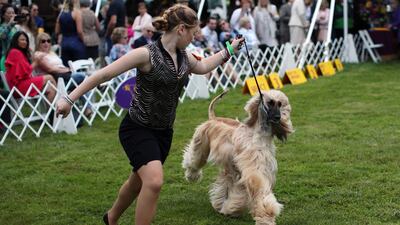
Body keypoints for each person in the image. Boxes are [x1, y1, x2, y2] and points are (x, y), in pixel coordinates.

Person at [55, 4, 243, 225]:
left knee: (138, 181)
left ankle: (111, 217)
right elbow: (103, 74)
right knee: (153, 182)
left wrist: (230, 49)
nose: (195, 37)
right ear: (181, 29)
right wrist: (68, 99)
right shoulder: (146, 54)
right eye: (193, 32)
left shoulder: (184, 57)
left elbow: (203, 67)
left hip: (164, 133)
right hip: (137, 128)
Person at [34, 32, 93, 117]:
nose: (46, 43)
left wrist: (65, 70)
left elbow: (57, 67)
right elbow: (50, 69)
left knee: (81, 84)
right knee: (82, 77)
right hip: (55, 82)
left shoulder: (52, 53)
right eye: (43, 41)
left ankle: (87, 108)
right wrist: (66, 70)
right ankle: (89, 104)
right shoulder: (38, 55)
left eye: (48, 41)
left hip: (64, 78)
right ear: (38, 43)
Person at [5, 31, 56, 102]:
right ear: (16, 41)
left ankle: (51, 112)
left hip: (21, 86)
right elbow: (25, 73)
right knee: (50, 77)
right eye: (22, 40)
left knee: (50, 89)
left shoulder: (18, 53)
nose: (25, 42)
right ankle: (60, 106)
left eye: (26, 40)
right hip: (18, 87)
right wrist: (36, 62)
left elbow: (25, 71)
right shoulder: (15, 52)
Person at [56, 0, 86, 66]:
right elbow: (80, 31)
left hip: (64, 43)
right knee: (79, 66)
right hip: (76, 42)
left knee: (67, 67)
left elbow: (57, 31)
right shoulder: (77, 13)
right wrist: (84, 41)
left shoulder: (61, 14)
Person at [0, 4, 17, 71]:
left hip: (17, 57)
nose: (12, 15)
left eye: (13, 13)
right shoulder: (2, 27)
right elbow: (2, 36)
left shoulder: (15, 27)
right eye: (9, 13)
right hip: (7, 57)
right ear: (3, 15)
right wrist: (9, 25)